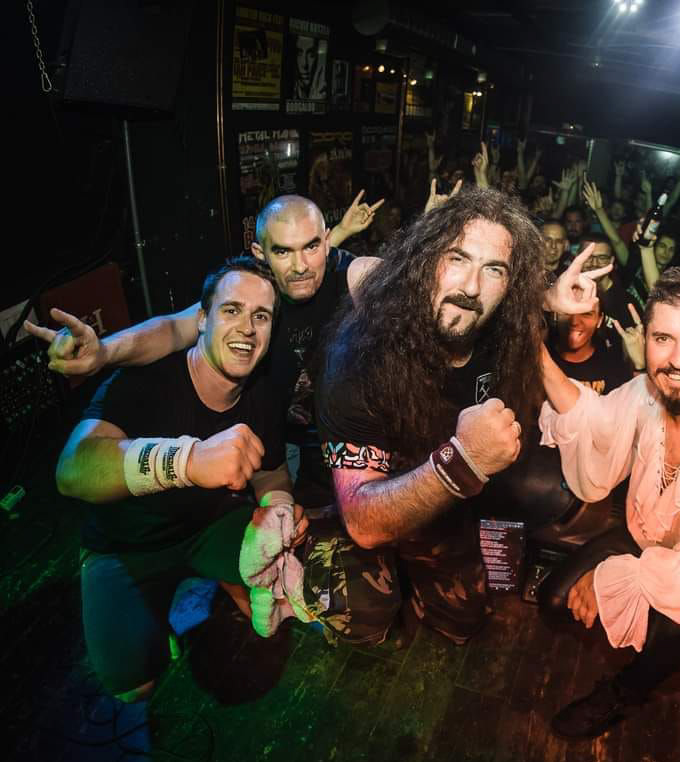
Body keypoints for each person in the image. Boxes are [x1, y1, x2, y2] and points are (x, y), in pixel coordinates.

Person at [315, 188, 607, 645]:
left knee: (464, 620)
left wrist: (549, 298)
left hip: (446, 502)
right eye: (457, 259)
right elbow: (364, 522)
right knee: (361, 610)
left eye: (494, 270)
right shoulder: (359, 357)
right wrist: (464, 460)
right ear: (425, 261)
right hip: (378, 489)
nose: (471, 287)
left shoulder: (499, 327)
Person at [536, 267, 680, 738]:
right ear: (645, 339)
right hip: (642, 535)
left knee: (667, 643)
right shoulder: (648, 389)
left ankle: (622, 693)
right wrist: (538, 325)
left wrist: (616, 578)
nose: (678, 361)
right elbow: (591, 417)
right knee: (553, 601)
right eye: (664, 339)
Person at [55, 258, 305, 702]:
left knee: (276, 590)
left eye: (261, 316)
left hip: (209, 525)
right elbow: (72, 471)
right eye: (231, 310)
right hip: (129, 546)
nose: (247, 328)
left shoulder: (263, 390)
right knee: (134, 689)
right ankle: (153, 615)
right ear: (202, 320)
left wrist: (279, 513)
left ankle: (227, 581)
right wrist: (188, 460)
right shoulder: (149, 378)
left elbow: (271, 472)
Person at [26, 195, 381, 505]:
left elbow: (381, 282)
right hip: (271, 437)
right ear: (261, 254)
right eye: (282, 251)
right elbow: (173, 328)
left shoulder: (348, 274)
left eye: (311, 247)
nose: (300, 266)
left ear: (326, 243)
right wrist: (104, 352)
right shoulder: (253, 291)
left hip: (329, 436)